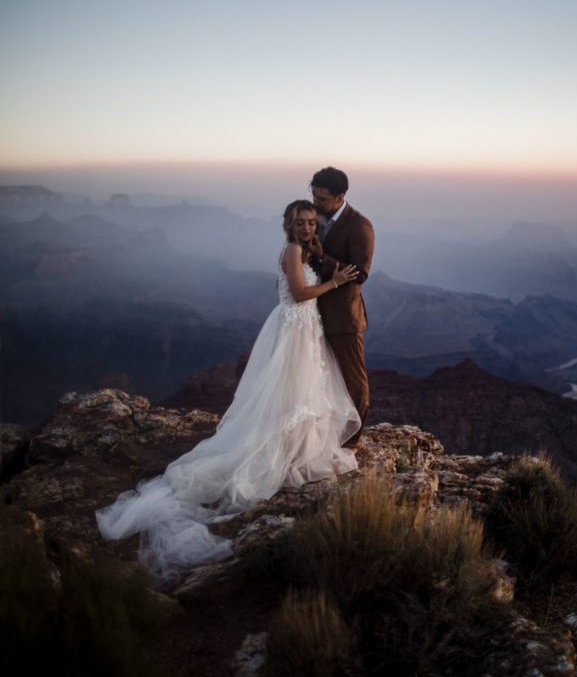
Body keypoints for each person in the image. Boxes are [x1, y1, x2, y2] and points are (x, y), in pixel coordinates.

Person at [96, 200, 360, 583]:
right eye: (299, 222)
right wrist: (336, 283)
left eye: (310, 222)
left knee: (300, 393)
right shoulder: (291, 250)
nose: (305, 227)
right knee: (289, 391)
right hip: (293, 329)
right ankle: (277, 451)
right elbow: (301, 293)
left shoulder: (307, 249)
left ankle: (295, 448)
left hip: (304, 330)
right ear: (289, 225)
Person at [308, 167, 374, 446]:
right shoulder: (314, 220)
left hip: (343, 317)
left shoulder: (360, 225)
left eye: (321, 199)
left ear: (340, 197)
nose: (315, 203)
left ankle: (352, 440)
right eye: (314, 196)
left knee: (352, 379)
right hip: (312, 311)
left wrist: (324, 260)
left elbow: (360, 274)